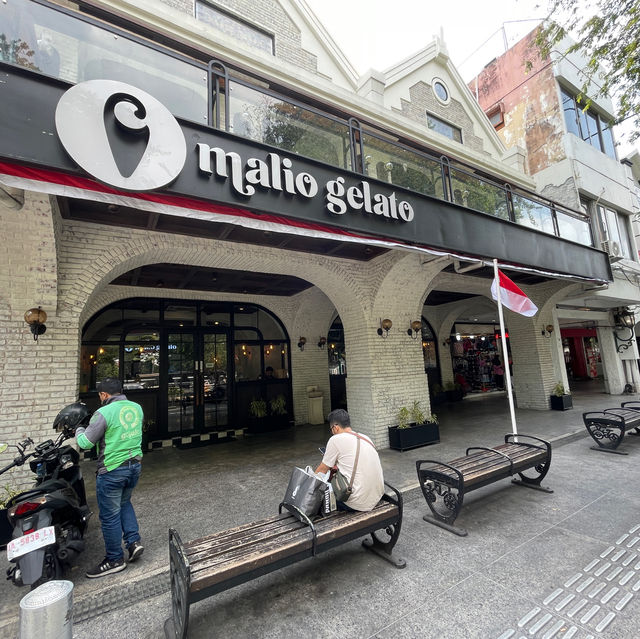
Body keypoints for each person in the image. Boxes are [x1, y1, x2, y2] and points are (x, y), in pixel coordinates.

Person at [75, 378, 144, 578]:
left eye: (100, 395)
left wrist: (79, 428)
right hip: (134, 465)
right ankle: (133, 542)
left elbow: (86, 443)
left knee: (109, 516)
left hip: (113, 469)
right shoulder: (136, 407)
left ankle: (114, 559)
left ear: (104, 395)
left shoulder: (104, 412)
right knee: (124, 503)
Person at [314, 409, 384, 512]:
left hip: (357, 503)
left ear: (335, 427)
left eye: (331, 429)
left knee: (323, 498)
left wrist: (308, 489)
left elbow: (322, 470)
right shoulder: (366, 438)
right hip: (377, 497)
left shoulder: (335, 440)